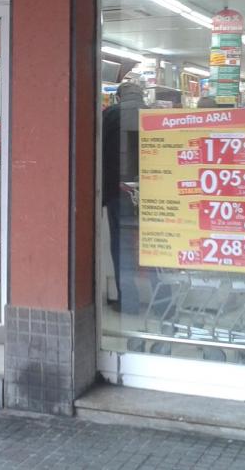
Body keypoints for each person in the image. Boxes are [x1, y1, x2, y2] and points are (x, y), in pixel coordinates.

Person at [101, 79, 145, 314]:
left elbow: (97, 150)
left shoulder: (109, 115)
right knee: (155, 244)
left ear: (118, 97)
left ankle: (129, 300)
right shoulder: (154, 115)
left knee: (121, 245)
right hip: (153, 192)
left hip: (118, 190)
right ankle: (163, 301)